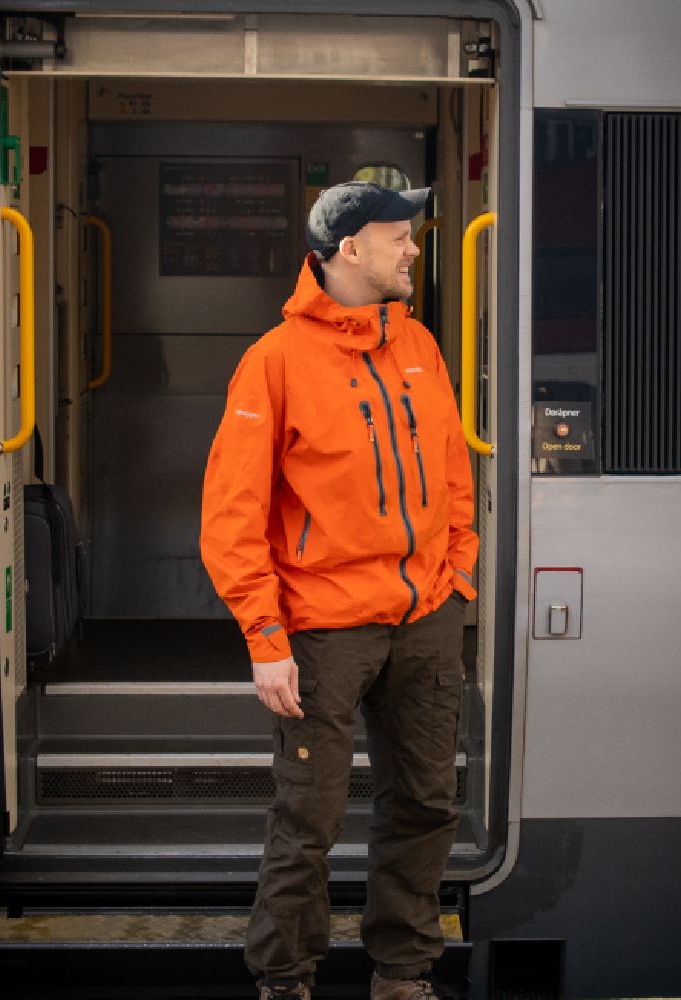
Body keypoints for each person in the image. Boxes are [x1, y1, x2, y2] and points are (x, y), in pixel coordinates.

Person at [200, 181, 480, 1000]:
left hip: (426, 617)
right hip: (323, 629)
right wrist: (265, 639)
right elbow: (231, 516)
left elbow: (455, 477)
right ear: (348, 249)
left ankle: (403, 972)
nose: (414, 250)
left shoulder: (421, 346)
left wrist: (457, 574)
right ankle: (284, 980)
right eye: (400, 237)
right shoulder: (274, 361)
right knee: (308, 820)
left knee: (425, 804)